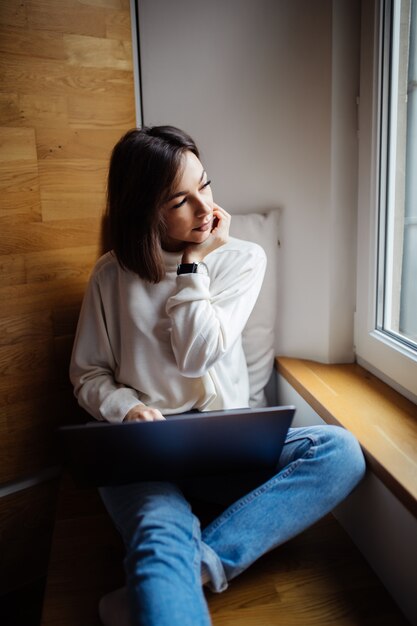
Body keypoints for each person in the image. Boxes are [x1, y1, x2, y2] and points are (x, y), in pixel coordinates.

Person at [70, 126, 366, 626]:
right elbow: (88, 375)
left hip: (223, 447)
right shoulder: (110, 275)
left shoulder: (243, 258)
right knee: (160, 535)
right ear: (144, 209)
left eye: (204, 185)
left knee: (341, 453)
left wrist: (193, 266)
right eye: (180, 200)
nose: (205, 209)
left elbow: (197, 355)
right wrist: (128, 409)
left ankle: (185, 574)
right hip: (142, 451)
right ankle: (169, 572)